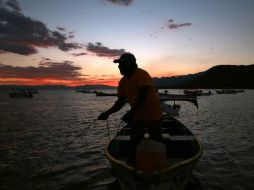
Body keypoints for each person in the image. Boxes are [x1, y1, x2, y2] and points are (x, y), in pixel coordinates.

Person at [98, 53, 163, 166]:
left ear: (131, 65)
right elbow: (120, 102)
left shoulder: (141, 74)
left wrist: (130, 113)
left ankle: (160, 162)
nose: (119, 67)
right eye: (119, 64)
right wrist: (107, 113)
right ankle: (133, 162)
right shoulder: (122, 82)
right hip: (137, 116)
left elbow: (142, 98)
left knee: (157, 141)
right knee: (134, 140)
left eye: (122, 64)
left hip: (153, 115)